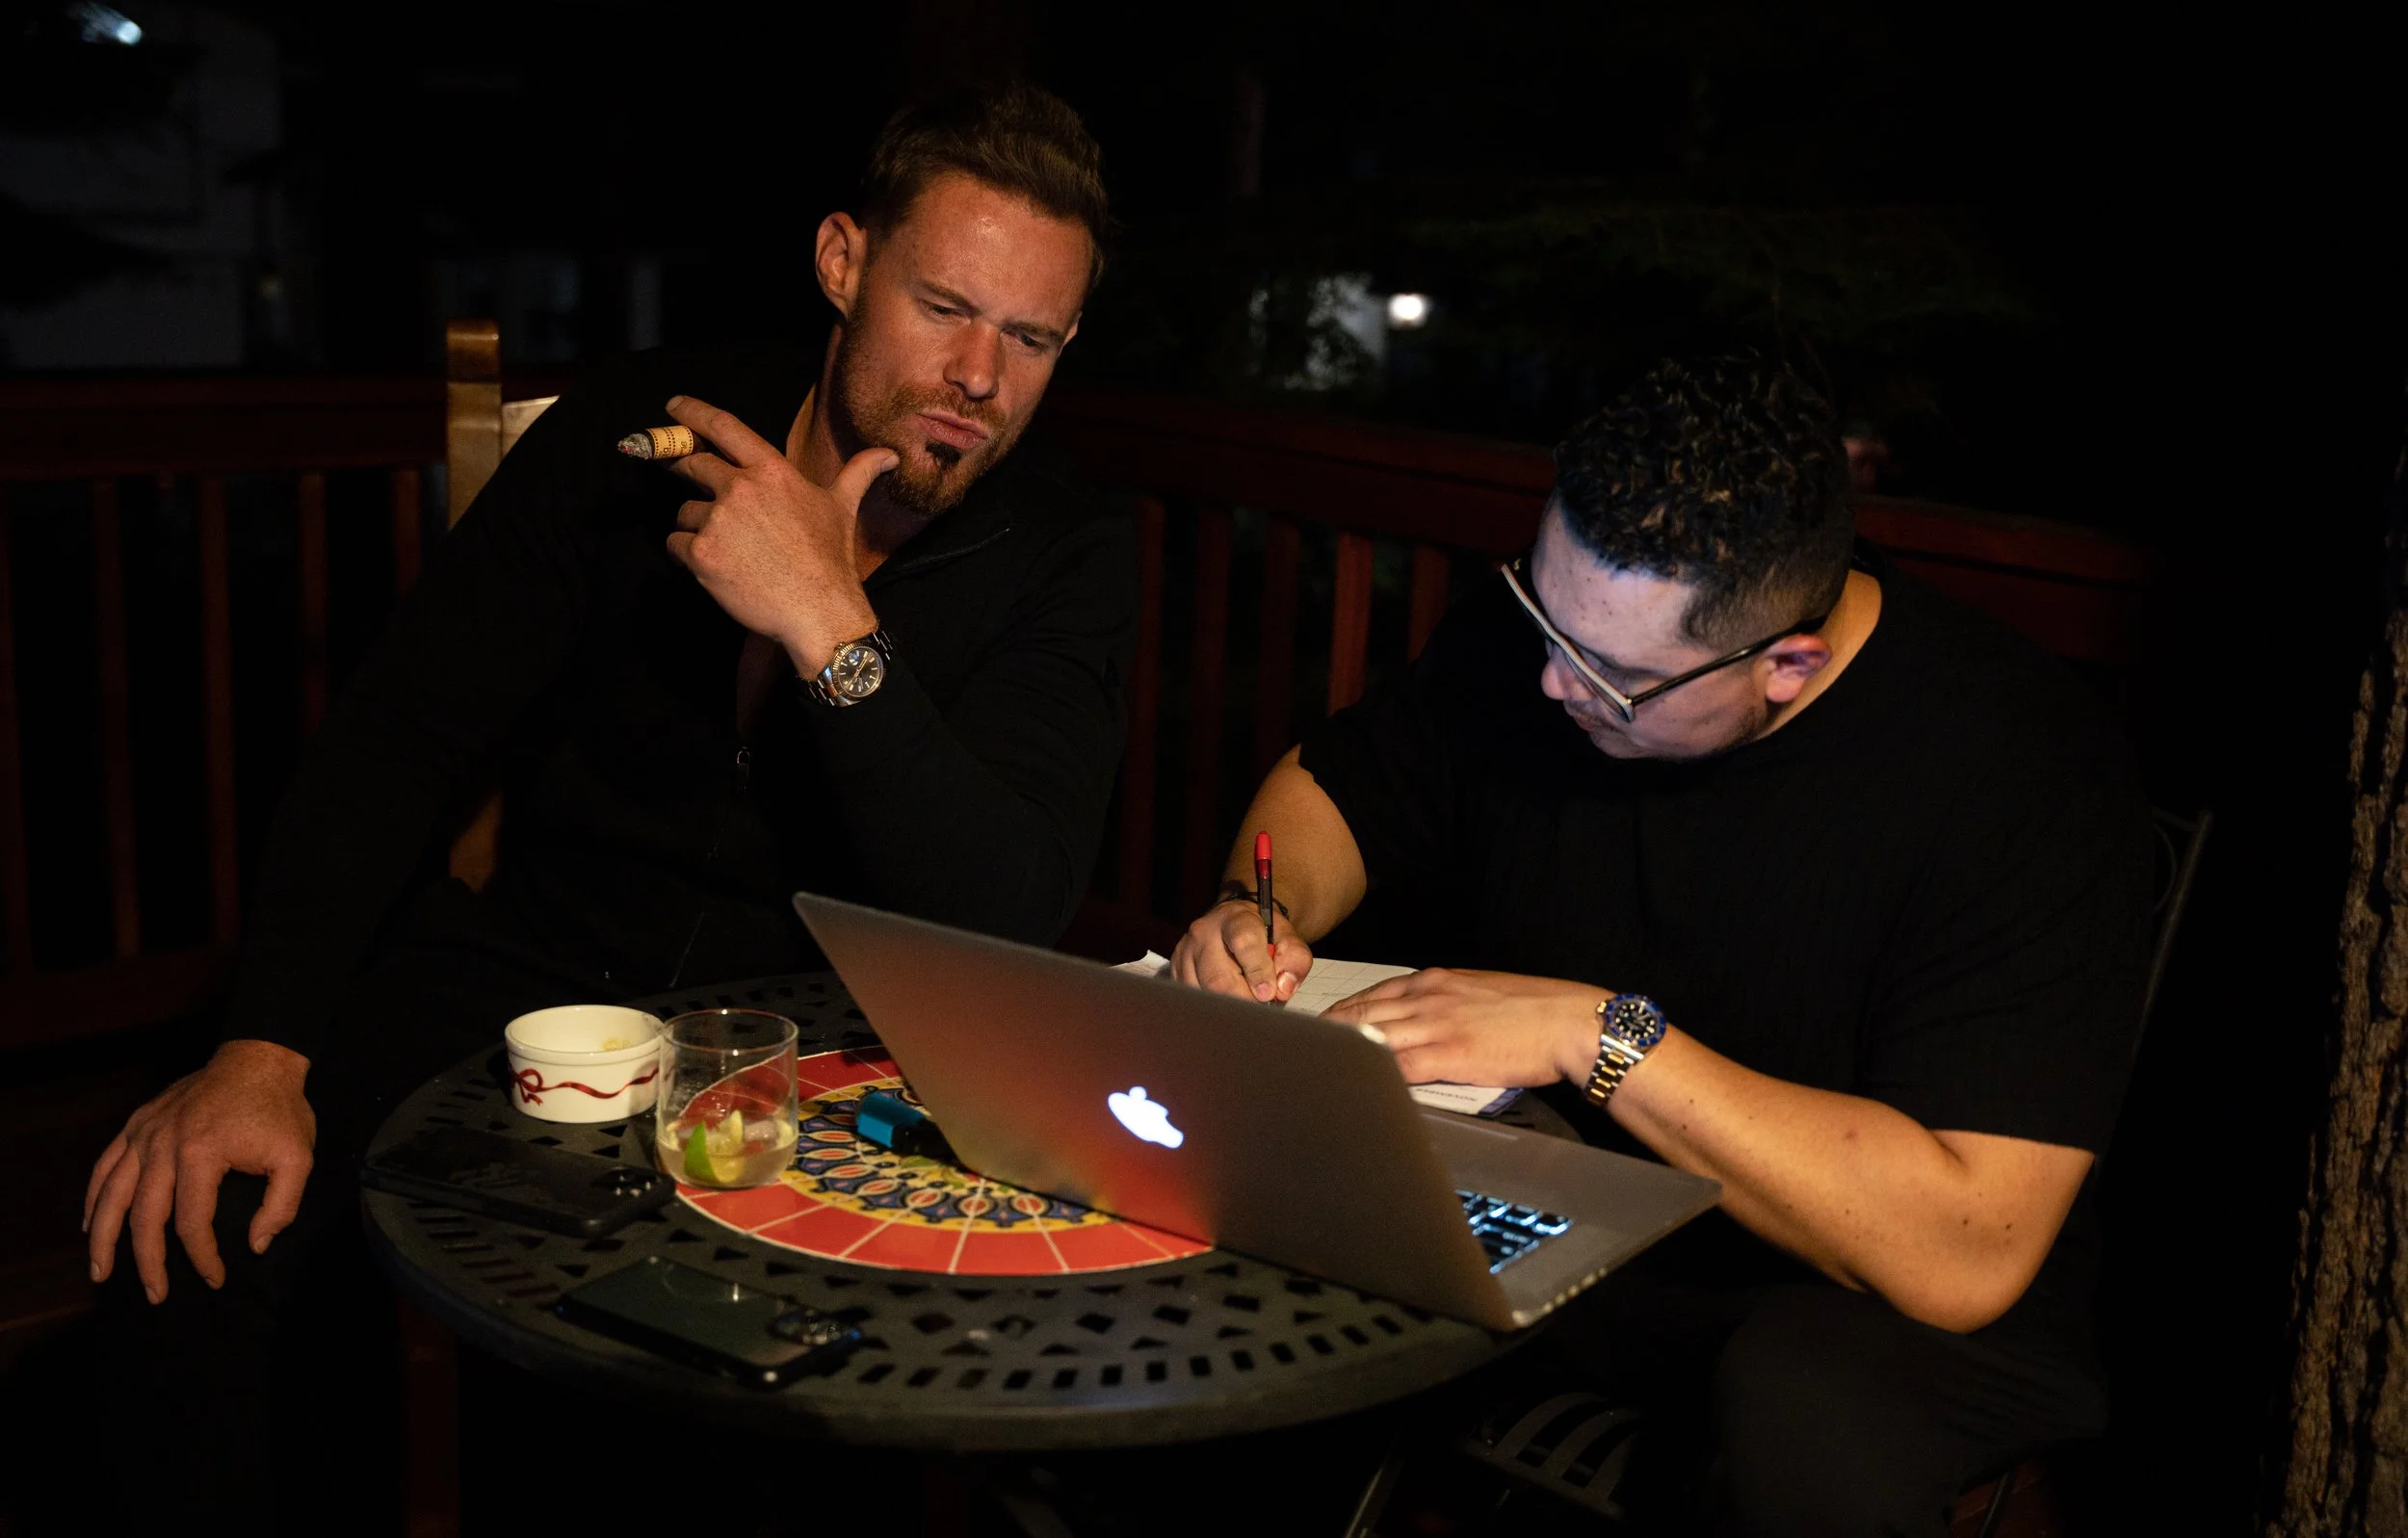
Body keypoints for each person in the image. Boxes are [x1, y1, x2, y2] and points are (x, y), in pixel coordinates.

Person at [79, 81, 1127, 1522]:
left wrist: (831, 625)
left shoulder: (1065, 546)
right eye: (946, 303)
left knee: (743, 1433)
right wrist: (259, 1050)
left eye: (1032, 337)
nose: (978, 375)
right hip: (524, 986)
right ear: (842, 261)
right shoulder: (635, 433)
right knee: (200, 1258)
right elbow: (396, 739)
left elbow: (1007, 903)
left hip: (829, 1060)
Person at [1170, 355, 2152, 1537]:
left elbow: (1962, 1249)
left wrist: (1594, 1033)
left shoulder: (2017, 776)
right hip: (1571, 1202)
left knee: (1808, 1410)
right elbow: (1338, 787)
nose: (1549, 679)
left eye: (1610, 676)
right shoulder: (1565, 638)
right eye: (1543, 614)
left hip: (1853, 1292)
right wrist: (1255, 907)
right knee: (1222, 1218)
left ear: (1789, 665)